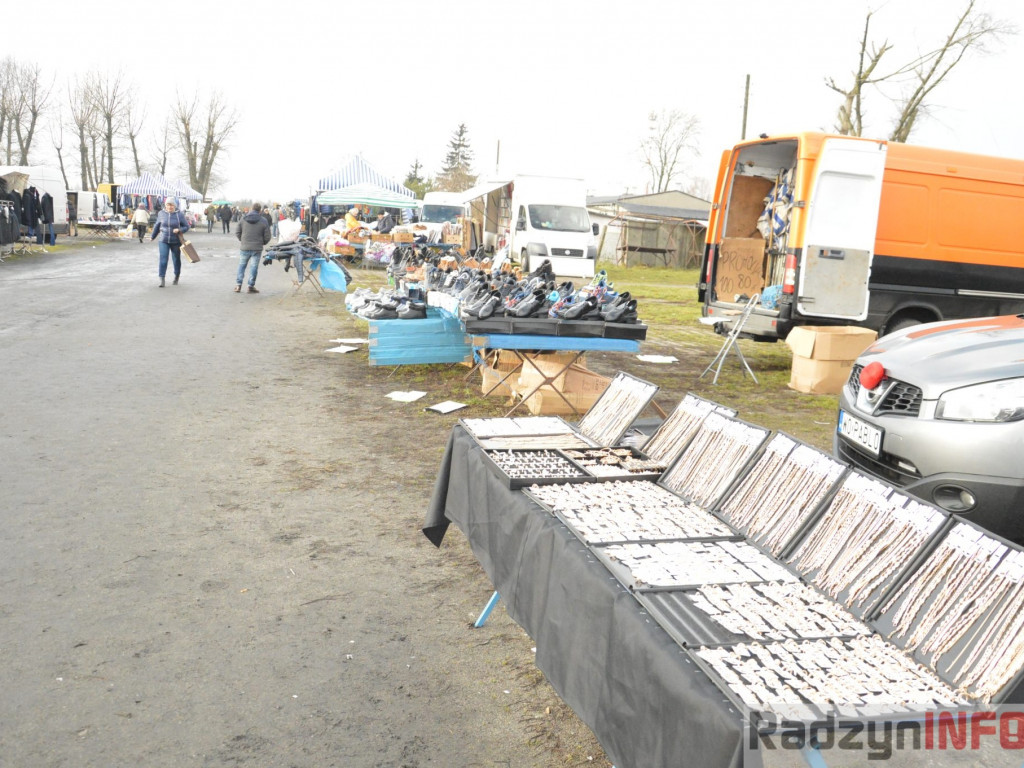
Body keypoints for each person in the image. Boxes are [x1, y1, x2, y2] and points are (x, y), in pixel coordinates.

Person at [150, 198, 189, 287]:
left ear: (174, 206)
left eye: (171, 205)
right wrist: (153, 236)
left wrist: (179, 229)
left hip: (176, 241)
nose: (169, 207)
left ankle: (176, 276)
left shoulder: (179, 215)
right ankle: (162, 279)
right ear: (165, 205)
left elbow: (186, 226)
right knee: (163, 259)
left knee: (176, 259)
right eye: (168, 205)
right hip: (163, 240)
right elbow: (157, 225)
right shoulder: (161, 213)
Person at [235, 202, 270, 293]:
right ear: (260, 210)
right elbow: (267, 236)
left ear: (251, 208)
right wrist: (262, 243)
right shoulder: (263, 220)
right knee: (253, 267)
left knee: (242, 266)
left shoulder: (243, 218)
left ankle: (238, 285)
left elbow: (237, 232)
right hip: (257, 248)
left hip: (245, 247)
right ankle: (250, 286)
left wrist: (242, 240)